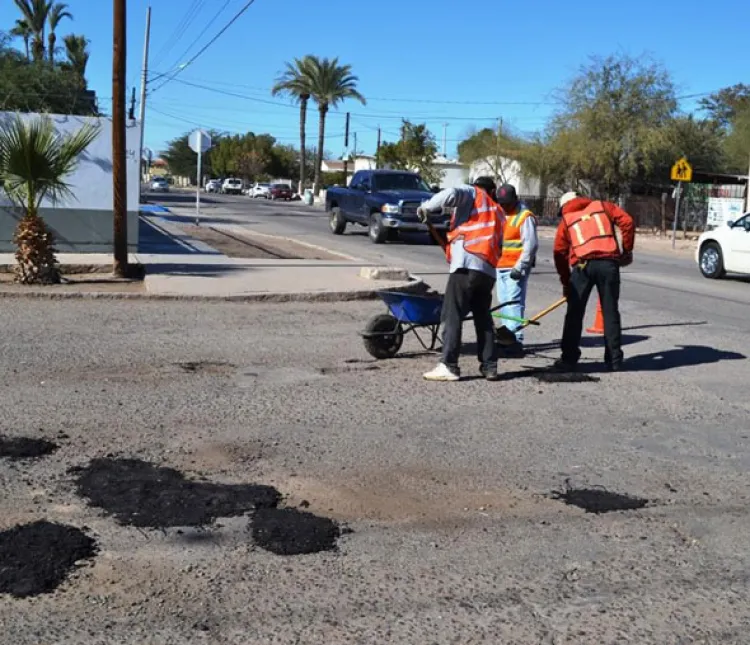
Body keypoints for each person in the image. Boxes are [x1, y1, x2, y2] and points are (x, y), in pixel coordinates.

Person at [416, 177, 505, 382]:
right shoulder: (499, 211)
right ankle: (490, 366)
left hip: (467, 264)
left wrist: (426, 208)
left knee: (452, 313)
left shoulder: (473, 193)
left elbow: (451, 194)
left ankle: (449, 365)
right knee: (483, 317)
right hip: (488, 270)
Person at [553, 191, 635, 371]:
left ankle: (568, 359)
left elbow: (559, 253)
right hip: (608, 264)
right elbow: (627, 221)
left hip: (582, 266)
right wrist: (626, 251)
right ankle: (614, 360)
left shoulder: (567, 219)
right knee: (610, 311)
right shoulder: (603, 206)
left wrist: (566, 283)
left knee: (574, 314)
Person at [494, 184, 538, 354]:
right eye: (501, 203)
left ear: (515, 199)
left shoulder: (524, 217)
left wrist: (520, 266)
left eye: (506, 203)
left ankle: (516, 341)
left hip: (515, 268)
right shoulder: (501, 214)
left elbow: (531, 245)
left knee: (514, 304)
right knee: (504, 304)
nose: (503, 206)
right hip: (501, 266)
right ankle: (506, 339)